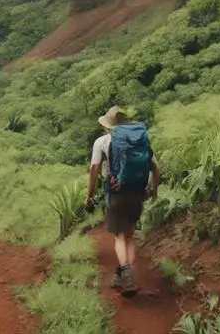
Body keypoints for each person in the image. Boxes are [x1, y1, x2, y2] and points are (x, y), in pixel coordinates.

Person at [85, 105, 160, 296]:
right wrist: (154, 190)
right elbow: (155, 168)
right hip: (137, 191)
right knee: (129, 237)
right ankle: (122, 275)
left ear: (106, 125)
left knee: (119, 237)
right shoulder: (139, 140)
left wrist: (89, 195)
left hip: (116, 193)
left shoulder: (101, 142)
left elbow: (94, 171)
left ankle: (127, 278)